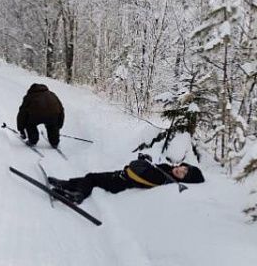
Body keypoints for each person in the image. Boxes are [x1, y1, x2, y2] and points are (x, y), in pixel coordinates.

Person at [48, 154, 205, 204]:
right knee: (92, 177)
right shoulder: (165, 169)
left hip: (120, 182)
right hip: (121, 176)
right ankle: (67, 185)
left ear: (184, 180)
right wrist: (145, 159)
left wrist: (142, 162)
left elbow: (136, 169)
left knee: (92, 178)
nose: (180, 170)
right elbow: (145, 167)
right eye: (183, 168)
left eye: (184, 174)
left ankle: (78, 195)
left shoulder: (163, 178)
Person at [16, 83, 64, 148]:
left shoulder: (29, 96)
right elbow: (61, 109)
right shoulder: (52, 94)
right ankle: (54, 142)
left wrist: (21, 129)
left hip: (35, 117)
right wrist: (58, 126)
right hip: (52, 116)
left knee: (29, 123)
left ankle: (33, 140)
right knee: (52, 124)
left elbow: (22, 113)